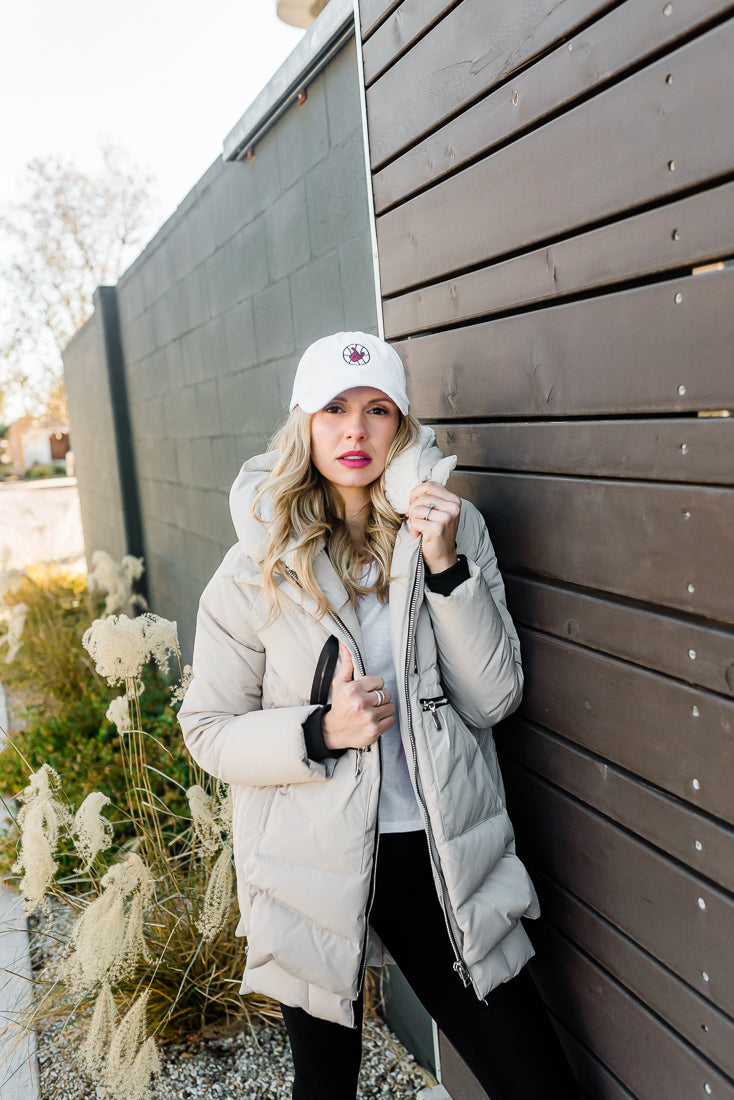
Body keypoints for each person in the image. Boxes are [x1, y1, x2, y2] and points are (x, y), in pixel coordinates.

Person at [178, 331, 578, 1099]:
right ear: (303, 421)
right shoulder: (251, 567)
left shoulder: (453, 531)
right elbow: (208, 731)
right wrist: (318, 731)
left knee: (534, 1081)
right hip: (310, 860)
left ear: (402, 426)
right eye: (334, 409)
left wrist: (444, 564)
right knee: (324, 1091)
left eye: (377, 410)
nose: (355, 431)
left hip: (435, 854)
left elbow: (493, 697)